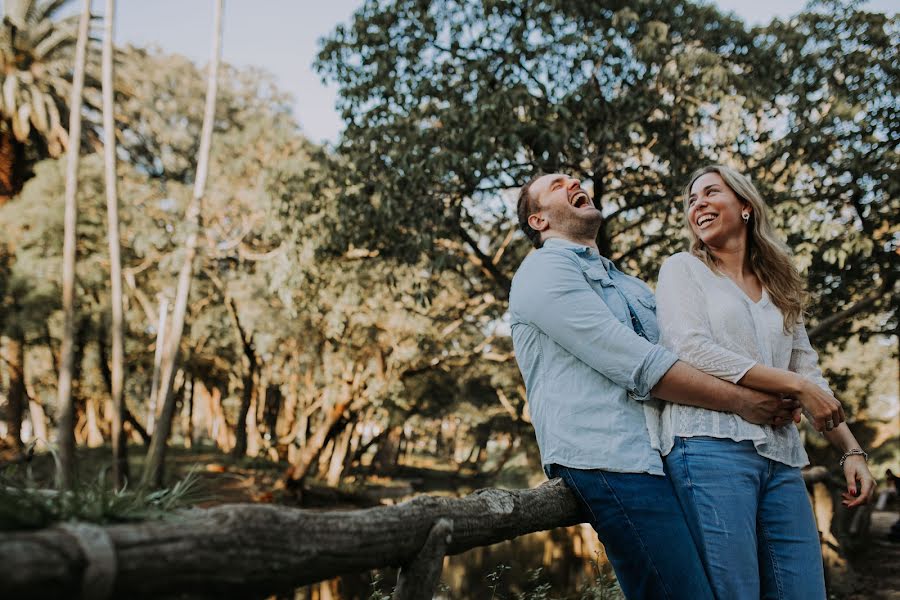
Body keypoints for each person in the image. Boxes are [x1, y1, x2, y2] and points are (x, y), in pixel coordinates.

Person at [509, 172, 801, 599]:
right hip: (608, 458)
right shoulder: (542, 271)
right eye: (556, 184)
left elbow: (690, 353)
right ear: (539, 222)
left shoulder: (629, 285)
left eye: (573, 177)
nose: (573, 181)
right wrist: (742, 401)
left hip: (661, 456)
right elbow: (642, 365)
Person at [646, 164, 876, 599]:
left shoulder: (779, 285)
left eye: (711, 192)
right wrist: (795, 386)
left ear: (745, 206)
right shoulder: (682, 269)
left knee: (804, 592)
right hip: (708, 447)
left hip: (783, 456)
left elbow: (808, 370)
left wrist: (851, 449)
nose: (698, 204)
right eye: (691, 200)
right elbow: (689, 347)